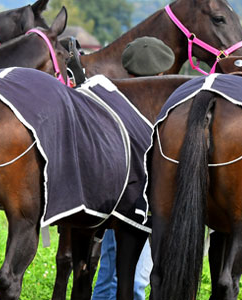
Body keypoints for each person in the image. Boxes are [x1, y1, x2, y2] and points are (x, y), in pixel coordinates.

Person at [92, 36, 174, 300]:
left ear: (127, 71)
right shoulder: (167, 109)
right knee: (136, 282)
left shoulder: (114, 105)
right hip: (146, 206)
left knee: (108, 276)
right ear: (163, 73)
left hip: (112, 201)